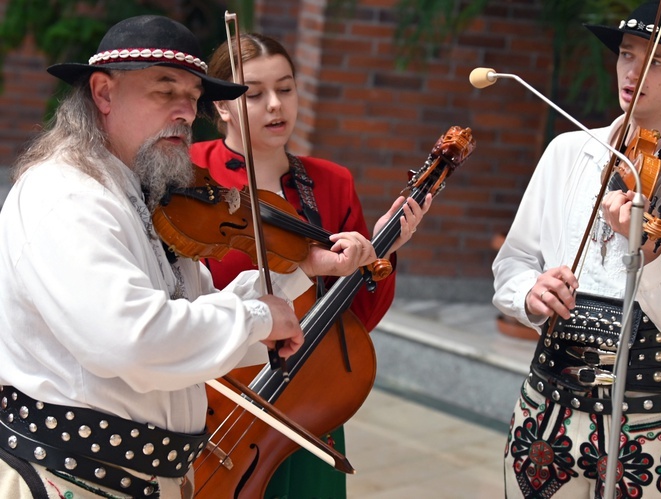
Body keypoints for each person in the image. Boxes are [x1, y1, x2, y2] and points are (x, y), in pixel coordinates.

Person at [0, 15, 380, 499]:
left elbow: (199, 313)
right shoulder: (66, 194)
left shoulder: (148, 194)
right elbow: (131, 340)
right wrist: (259, 319)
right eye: (165, 91)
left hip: (146, 480)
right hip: (71, 479)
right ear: (103, 93)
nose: (185, 111)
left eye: (193, 97)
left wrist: (298, 271)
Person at [492, 2, 661, 498]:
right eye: (627, 55)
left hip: (650, 426)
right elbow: (514, 262)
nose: (634, 72)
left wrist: (650, 253)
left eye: (657, 62)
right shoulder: (568, 151)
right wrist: (529, 295)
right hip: (547, 408)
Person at [189, 33, 430, 498]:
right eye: (254, 94)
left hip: (304, 400)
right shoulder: (190, 172)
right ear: (221, 106)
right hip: (210, 397)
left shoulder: (329, 183)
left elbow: (354, 321)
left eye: (286, 88)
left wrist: (379, 253)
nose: (275, 105)